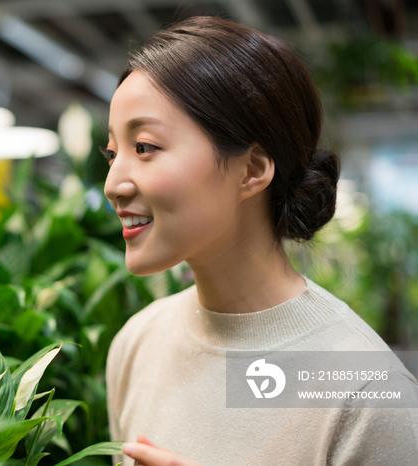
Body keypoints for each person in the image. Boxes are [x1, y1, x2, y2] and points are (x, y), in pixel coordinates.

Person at [102, 16, 418, 466]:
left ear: (251, 170)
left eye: (145, 147)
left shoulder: (363, 391)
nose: (113, 184)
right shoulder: (136, 344)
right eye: (113, 154)